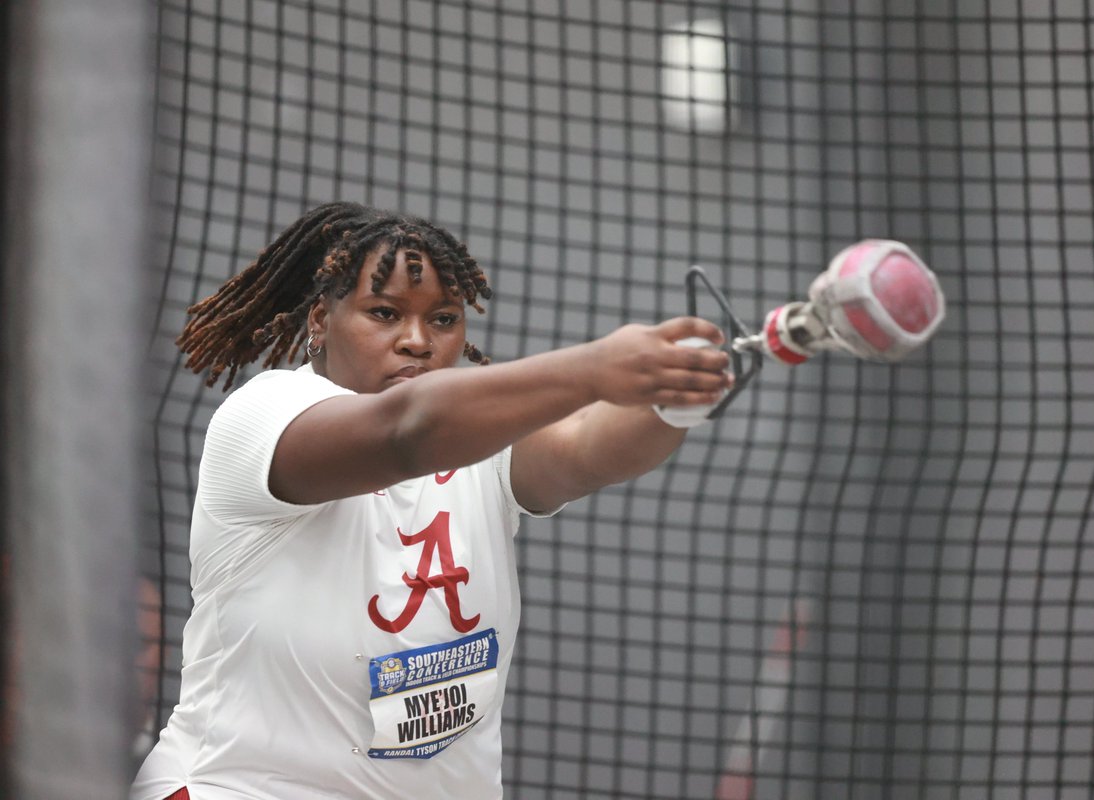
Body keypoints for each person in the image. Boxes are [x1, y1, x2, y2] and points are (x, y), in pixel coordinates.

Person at [131, 201, 731, 800]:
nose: (417, 341)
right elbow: (405, 432)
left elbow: (587, 452)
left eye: (444, 320)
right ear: (320, 320)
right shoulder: (264, 415)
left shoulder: (480, 442)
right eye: (384, 313)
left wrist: (675, 397)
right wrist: (593, 368)